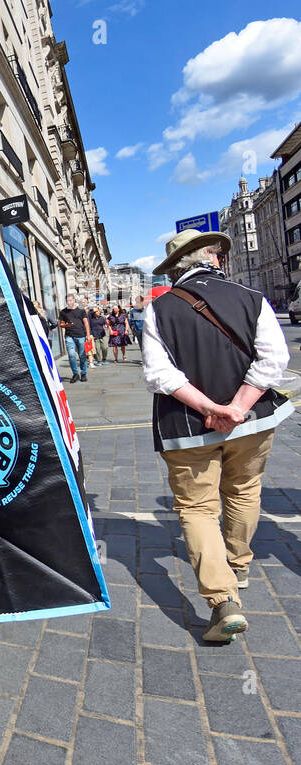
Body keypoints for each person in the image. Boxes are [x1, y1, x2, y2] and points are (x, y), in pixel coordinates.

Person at [142, 229, 293, 642]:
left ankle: (222, 600)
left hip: (189, 427)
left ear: (176, 268)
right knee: (244, 489)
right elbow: (275, 359)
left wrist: (211, 409)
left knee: (197, 508)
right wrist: (238, 408)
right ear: (215, 259)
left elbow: (160, 376)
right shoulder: (252, 299)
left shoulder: (160, 309)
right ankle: (238, 566)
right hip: (252, 420)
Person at [57, 294, 90, 383]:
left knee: (82, 355)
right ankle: (75, 374)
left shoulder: (81, 311)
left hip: (81, 335)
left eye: (70, 300)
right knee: (71, 355)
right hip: (69, 336)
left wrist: (88, 335)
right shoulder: (63, 312)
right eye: (67, 301)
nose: (69, 302)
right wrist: (66, 325)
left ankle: (83, 373)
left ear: (74, 300)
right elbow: (61, 324)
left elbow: (86, 323)